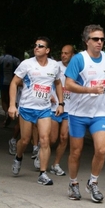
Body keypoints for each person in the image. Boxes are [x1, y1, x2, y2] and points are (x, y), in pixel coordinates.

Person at [65, 24, 105, 202]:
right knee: (76, 152)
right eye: (95, 39)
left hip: (99, 113)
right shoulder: (79, 59)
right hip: (78, 113)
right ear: (87, 41)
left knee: (101, 150)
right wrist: (90, 90)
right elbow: (68, 84)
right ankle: (73, 184)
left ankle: (93, 183)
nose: (99, 42)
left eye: (102, 39)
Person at [8, 36, 64, 186]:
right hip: (27, 107)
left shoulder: (54, 66)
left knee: (44, 140)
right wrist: (12, 105)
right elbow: (14, 83)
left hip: (44, 109)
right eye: (35, 45)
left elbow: (58, 83)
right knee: (25, 140)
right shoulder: (26, 64)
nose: (36, 47)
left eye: (40, 46)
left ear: (47, 50)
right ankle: (18, 157)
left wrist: (61, 103)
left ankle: (43, 173)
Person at [43, 44, 75, 176]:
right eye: (62, 53)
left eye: (66, 53)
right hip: (55, 106)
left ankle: (55, 164)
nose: (63, 55)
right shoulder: (55, 66)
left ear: (72, 55)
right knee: (52, 139)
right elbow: (47, 80)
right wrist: (50, 94)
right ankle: (42, 151)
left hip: (70, 108)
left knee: (64, 138)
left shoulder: (77, 68)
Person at [0, 46, 20, 127]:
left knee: (3, 99)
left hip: (3, 81)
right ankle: (12, 111)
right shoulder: (16, 60)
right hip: (13, 82)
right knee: (12, 98)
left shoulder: (1, 58)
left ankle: (7, 113)